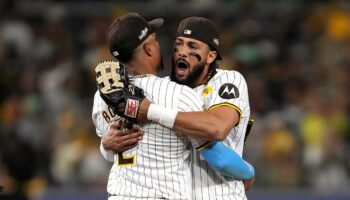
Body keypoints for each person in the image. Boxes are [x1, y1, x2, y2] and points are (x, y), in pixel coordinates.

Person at [92, 13, 254, 200]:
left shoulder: (227, 79)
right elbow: (131, 148)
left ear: (211, 56)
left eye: (192, 46)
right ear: (148, 48)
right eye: (178, 44)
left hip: (220, 194)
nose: (181, 51)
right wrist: (106, 145)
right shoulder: (171, 91)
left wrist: (150, 110)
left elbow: (217, 128)